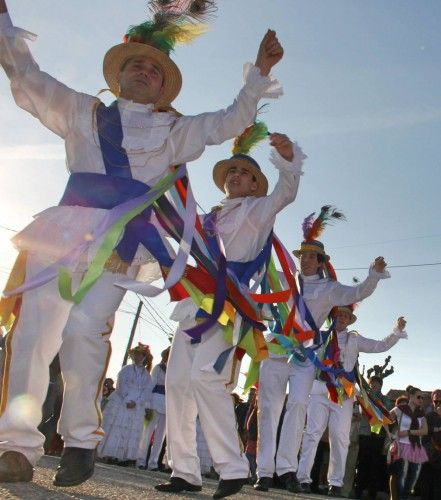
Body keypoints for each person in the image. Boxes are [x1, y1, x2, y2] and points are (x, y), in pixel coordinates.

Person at [0, 0, 284, 486]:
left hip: (120, 243)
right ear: (119, 73)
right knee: (31, 333)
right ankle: (16, 446)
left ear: (164, 86)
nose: (145, 71)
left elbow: (228, 121)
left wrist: (259, 74)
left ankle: (82, 439)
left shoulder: (174, 130)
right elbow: (26, 76)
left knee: (84, 332)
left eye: (156, 69)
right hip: (61, 233)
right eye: (137, 64)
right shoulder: (81, 110)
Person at [156, 131, 305, 499]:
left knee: (206, 378)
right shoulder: (205, 218)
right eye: (230, 172)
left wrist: (289, 160)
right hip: (193, 303)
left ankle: (233, 468)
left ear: (256, 185)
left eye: (243, 172)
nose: (234, 176)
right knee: (177, 384)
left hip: (229, 306)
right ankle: (185, 472)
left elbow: (286, 192)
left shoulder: (258, 210)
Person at [255, 213, 391, 493]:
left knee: (297, 410)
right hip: (276, 350)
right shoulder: (282, 279)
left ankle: (287, 470)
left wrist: (374, 275)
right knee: (269, 409)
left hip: (305, 358)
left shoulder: (329, 289)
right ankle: (264, 472)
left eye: (310, 257)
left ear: (320, 263)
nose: (304, 260)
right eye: (302, 256)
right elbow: (261, 294)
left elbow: (357, 293)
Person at [296, 312, 408, 497]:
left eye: (346, 316)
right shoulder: (321, 336)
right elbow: (300, 347)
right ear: (333, 318)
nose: (341, 318)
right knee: (312, 433)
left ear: (349, 321)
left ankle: (336, 483)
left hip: (343, 394)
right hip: (320, 390)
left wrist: (397, 331)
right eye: (338, 315)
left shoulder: (354, 339)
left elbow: (380, 345)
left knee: (340, 438)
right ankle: (302, 479)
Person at [97, 344, 153, 466]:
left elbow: (147, 392)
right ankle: (110, 454)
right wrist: (127, 400)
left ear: (144, 357)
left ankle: (124, 457)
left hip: (136, 405)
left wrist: (136, 402)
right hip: (122, 402)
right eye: (136, 355)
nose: (137, 357)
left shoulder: (147, 376)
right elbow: (121, 386)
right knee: (117, 427)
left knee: (130, 430)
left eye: (140, 355)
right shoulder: (126, 369)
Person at [389, 385, 428, 500]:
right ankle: (400, 498)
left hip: (416, 447)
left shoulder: (421, 414)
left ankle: (405, 497)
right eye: (419, 397)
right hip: (402, 446)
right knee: (402, 475)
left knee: (414, 476)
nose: (421, 400)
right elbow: (385, 418)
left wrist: (408, 432)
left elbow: (424, 431)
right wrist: (390, 434)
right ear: (411, 396)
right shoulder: (400, 409)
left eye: (422, 398)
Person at [136, 346, 170, 470]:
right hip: (155, 401)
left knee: (160, 436)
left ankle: (153, 463)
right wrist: (147, 404)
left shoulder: (176, 370)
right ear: (165, 356)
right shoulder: (158, 368)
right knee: (147, 433)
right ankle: (140, 461)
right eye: (168, 354)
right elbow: (151, 386)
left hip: (168, 405)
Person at [418, 389, 441, 500]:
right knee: (426, 487)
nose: (438, 404)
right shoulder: (428, 416)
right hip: (429, 457)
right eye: (436, 402)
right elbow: (423, 435)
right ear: (433, 402)